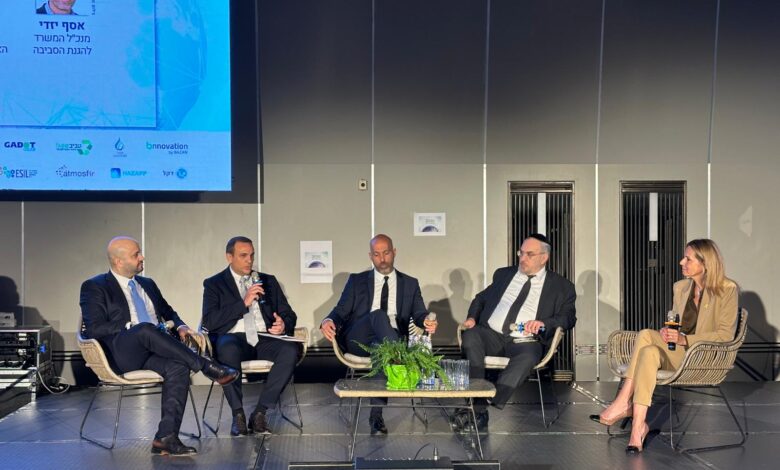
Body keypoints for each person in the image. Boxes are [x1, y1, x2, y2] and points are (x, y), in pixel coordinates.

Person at [80, 236, 239, 456]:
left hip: (155, 350)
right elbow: (94, 328)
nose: (142, 257)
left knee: (178, 367)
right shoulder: (95, 286)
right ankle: (206, 366)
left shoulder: (147, 284)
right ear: (118, 261)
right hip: (122, 354)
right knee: (144, 329)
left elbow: (168, 311)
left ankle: (166, 438)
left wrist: (181, 326)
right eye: (136, 255)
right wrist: (130, 326)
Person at [591, 239, 739, 454]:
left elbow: (725, 335)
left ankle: (623, 403)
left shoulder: (727, 289)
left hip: (703, 357)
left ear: (705, 262)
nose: (681, 262)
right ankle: (637, 427)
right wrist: (667, 332)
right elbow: (676, 324)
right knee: (648, 342)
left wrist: (685, 339)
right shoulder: (681, 288)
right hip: (678, 353)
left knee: (648, 346)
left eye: (688, 259)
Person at [456, 233, 576, 431]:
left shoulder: (562, 287)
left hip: (525, 341)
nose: (522, 258)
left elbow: (568, 318)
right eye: (521, 253)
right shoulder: (504, 275)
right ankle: (478, 402)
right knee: (470, 336)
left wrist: (544, 323)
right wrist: (472, 318)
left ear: (544, 258)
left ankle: (485, 403)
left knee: (529, 356)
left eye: (529, 254)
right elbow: (480, 299)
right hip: (492, 334)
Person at [320, 234, 436, 435]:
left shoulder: (410, 283)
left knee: (381, 348)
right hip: (359, 337)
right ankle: (400, 357)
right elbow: (340, 311)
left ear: (394, 252)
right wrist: (327, 320)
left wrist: (426, 320)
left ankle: (376, 416)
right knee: (378, 315)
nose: (382, 259)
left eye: (386, 253)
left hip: (388, 339)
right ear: (370, 256)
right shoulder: (356, 281)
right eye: (376, 254)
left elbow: (419, 313)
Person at [201, 236, 299, 436]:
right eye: (243, 255)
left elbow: (290, 315)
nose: (249, 260)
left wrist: (283, 324)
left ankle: (260, 412)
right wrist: (243, 304)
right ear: (229, 257)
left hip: (264, 336)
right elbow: (209, 321)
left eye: (252, 255)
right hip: (233, 337)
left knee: (290, 350)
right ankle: (238, 415)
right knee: (227, 348)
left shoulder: (268, 281)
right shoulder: (214, 284)